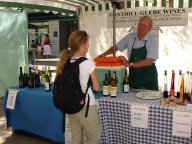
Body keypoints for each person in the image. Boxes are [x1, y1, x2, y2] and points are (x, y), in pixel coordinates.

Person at [56, 30, 101, 144]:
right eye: (88, 42)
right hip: (86, 106)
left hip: (71, 106)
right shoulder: (88, 63)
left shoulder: (66, 61)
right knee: (93, 139)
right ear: (83, 43)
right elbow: (96, 87)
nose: (89, 45)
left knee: (75, 139)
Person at [98, 15, 159, 90]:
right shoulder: (130, 37)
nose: (141, 27)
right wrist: (104, 54)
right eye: (140, 24)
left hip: (148, 80)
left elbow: (148, 62)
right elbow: (116, 47)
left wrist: (130, 64)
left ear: (149, 28)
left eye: (144, 25)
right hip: (134, 78)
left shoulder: (152, 40)